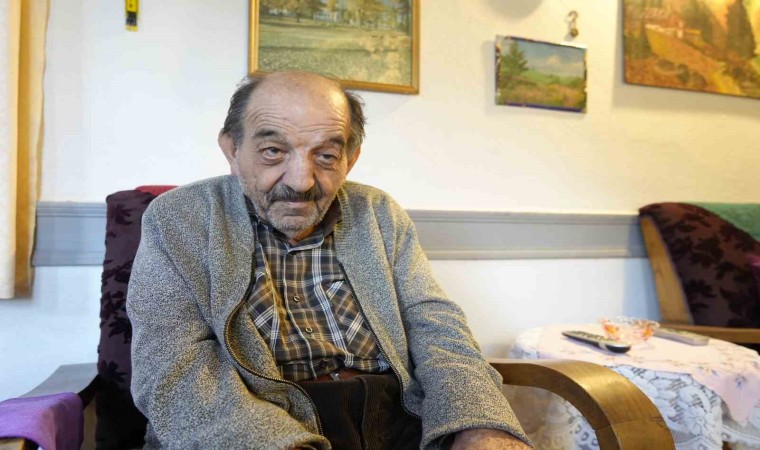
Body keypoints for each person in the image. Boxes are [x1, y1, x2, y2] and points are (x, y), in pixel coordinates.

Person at [127, 71, 531, 450]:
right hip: (257, 426)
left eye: (326, 156)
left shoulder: (378, 212)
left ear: (350, 159)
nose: (301, 181)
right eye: (273, 151)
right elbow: (172, 369)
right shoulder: (179, 218)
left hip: (396, 423)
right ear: (232, 150)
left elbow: (436, 326)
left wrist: (481, 426)